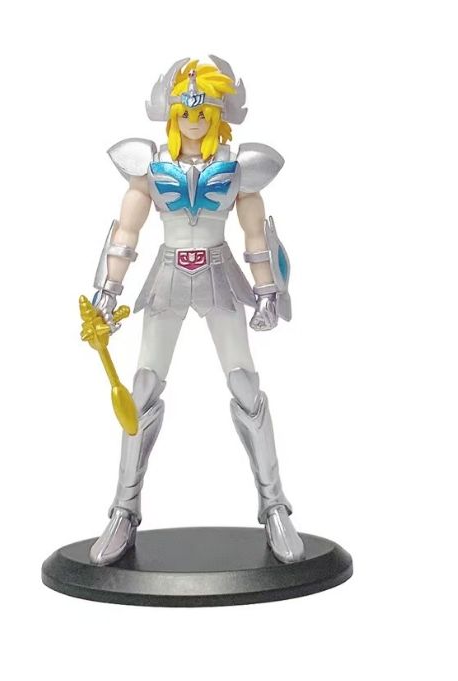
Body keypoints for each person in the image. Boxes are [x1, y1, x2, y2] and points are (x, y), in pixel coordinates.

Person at [88, 56, 304, 565]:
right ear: (170, 114)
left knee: (245, 385)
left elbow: (255, 234)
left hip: (219, 275)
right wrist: (107, 291)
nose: (192, 118)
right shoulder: (148, 165)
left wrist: (267, 292)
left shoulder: (239, 168)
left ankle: (275, 506)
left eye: (202, 110)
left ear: (217, 116)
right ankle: (124, 510)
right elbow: (125, 232)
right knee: (142, 389)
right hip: (166, 278)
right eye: (184, 109)